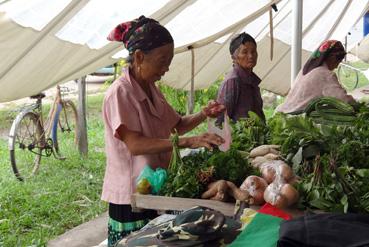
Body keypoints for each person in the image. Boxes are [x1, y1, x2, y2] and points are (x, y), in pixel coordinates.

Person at [102, 16, 225, 247]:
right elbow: (136, 145)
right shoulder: (120, 93)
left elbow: (177, 124)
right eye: (162, 61)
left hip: (154, 189)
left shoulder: (151, 88)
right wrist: (188, 142)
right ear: (139, 57)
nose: (166, 68)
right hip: (131, 195)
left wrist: (203, 114)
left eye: (168, 61)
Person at [276, 40, 355, 114]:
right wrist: (356, 104)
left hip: (284, 111)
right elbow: (342, 99)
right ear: (331, 58)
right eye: (338, 61)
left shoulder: (307, 69)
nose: (337, 66)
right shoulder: (324, 74)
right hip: (296, 115)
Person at [216, 32, 265, 125]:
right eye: (245, 52)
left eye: (253, 51)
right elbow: (221, 120)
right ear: (234, 57)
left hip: (254, 138)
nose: (250, 56)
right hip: (237, 138)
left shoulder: (252, 81)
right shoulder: (232, 81)